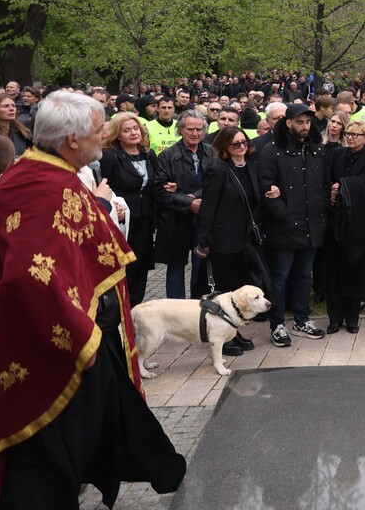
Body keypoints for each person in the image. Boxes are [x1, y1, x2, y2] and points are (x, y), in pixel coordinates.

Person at [0, 91, 186, 507]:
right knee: (46, 463)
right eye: (99, 129)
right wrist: (80, 335)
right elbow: (27, 278)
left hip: (79, 339)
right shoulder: (42, 187)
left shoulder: (49, 173)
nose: (106, 135)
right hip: (57, 350)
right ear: (72, 139)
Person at [258, 103, 330, 347]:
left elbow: (323, 183)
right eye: (300, 122)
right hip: (284, 227)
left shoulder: (316, 150)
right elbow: (265, 186)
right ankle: (277, 324)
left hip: (311, 225)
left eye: (308, 122)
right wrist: (283, 213)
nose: (305, 126)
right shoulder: (271, 151)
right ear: (288, 123)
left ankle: (301, 319)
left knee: (303, 275)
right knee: (280, 277)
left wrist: (321, 211)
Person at [196, 127, 270, 355]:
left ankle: (233, 332)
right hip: (223, 240)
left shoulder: (251, 166)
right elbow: (208, 207)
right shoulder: (218, 170)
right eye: (235, 144)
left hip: (246, 239)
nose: (241, 147)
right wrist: (205, 240)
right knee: (223, 291)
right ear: (225, 148)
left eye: (244, 143)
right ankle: (221, 338)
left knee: (240, 287)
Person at [325, 121, 365, 334]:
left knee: (356, 270)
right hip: (337, 221)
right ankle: (334, 318)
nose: (350, 137)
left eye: (355, 134)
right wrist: (334, 189)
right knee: (335, 271)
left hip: (361, 223)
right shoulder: (337, 155)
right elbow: (328, 179)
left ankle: (352, 318)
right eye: (348, 133)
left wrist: (346, 185)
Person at [153, 110, 214, 299]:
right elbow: (160, 190)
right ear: (180, 130)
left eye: (199, 129)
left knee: (200, 264)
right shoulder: (167, 156)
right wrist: (189, 203)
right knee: (175, 266)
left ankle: (196, 307)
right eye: (190, 129)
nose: (195, 133)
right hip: (175, 219)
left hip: (203, 218)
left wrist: (193, 197)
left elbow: (215, 182)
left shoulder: (211, 152)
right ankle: (175, 309)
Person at [99, 113, 159, 306]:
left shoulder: (148, 154)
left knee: (140, 265)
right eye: (127, 130)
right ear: (117, 134)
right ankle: (121, 309)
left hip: (145, 219)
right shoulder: (110, 156)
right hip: (122, 221)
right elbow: (102, 186)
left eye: (136, 129)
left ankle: (136, 307)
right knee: (124, 267)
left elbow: (152, 183)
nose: (133, 133)